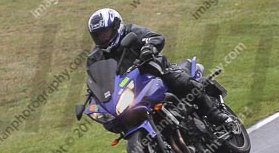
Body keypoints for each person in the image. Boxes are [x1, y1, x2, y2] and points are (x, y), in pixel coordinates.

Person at [86, 7, 231, 127]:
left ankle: (213, 114)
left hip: (153, 72)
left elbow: (156, 37)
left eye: (105, 33)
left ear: (116, 26)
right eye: (98, 36)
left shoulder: (132, 31)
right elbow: (95, 78)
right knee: (114, 119)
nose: (103, 38)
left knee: (180, 81)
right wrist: (93, 92)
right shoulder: (95, 57)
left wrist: (148, 48)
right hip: (130, 88)